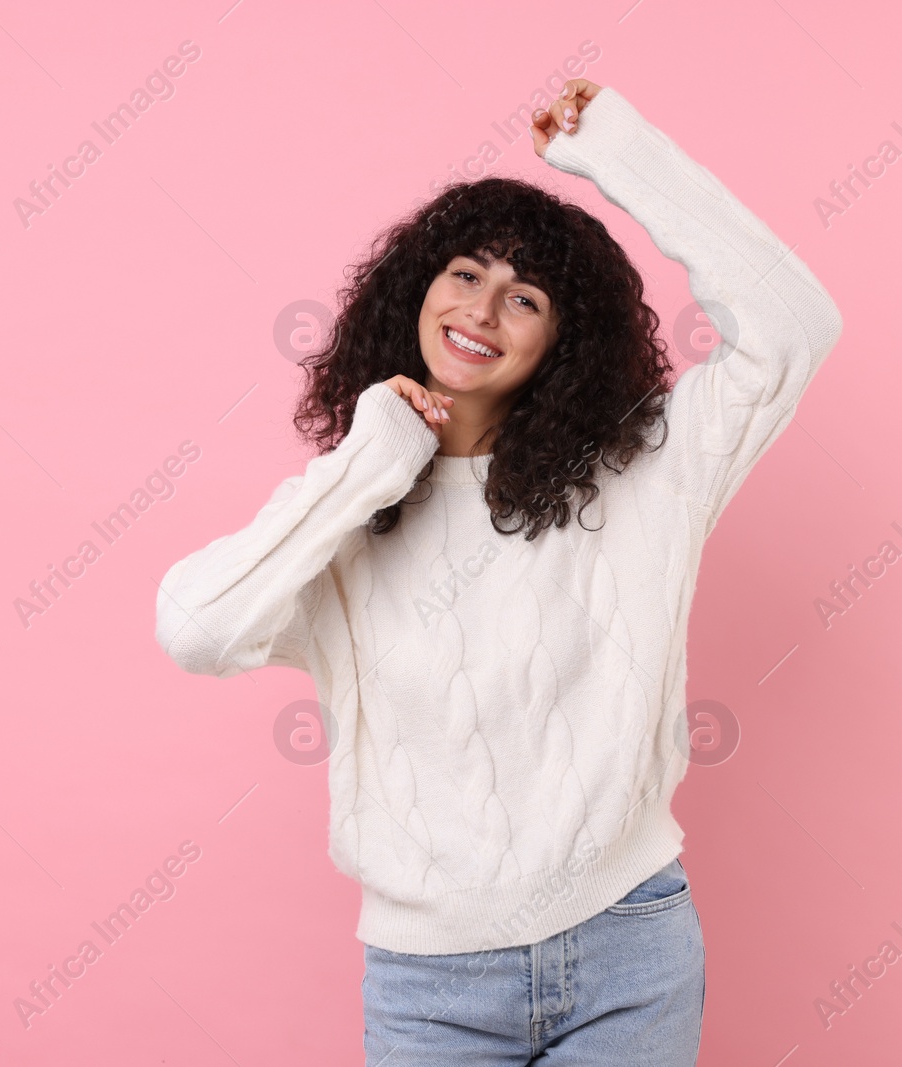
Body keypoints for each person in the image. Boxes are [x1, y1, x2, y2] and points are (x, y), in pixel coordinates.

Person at [155, 78, 843, 1066]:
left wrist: (618, 151)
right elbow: (196, 629)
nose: (483, 309)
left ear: (564, 337)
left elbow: (795, 329)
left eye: (524, 296)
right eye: (464, 274)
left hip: (628, 946)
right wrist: (367, 463)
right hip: (428, 981)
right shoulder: (347, 512)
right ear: (417, 290)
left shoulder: (645, 469)